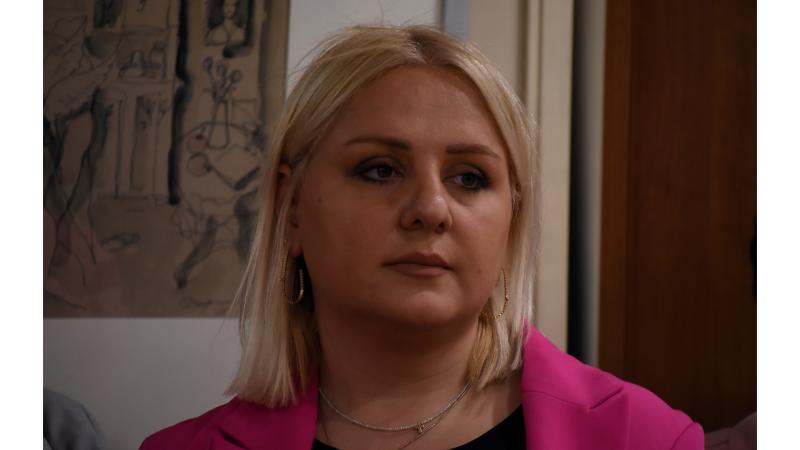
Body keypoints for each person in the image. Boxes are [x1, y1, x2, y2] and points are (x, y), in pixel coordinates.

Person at [140, 24, 703, 450]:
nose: (431, 209)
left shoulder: (645, 437)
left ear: (511, 222)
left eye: (469, 178)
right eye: (380, 169)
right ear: (291, 211)